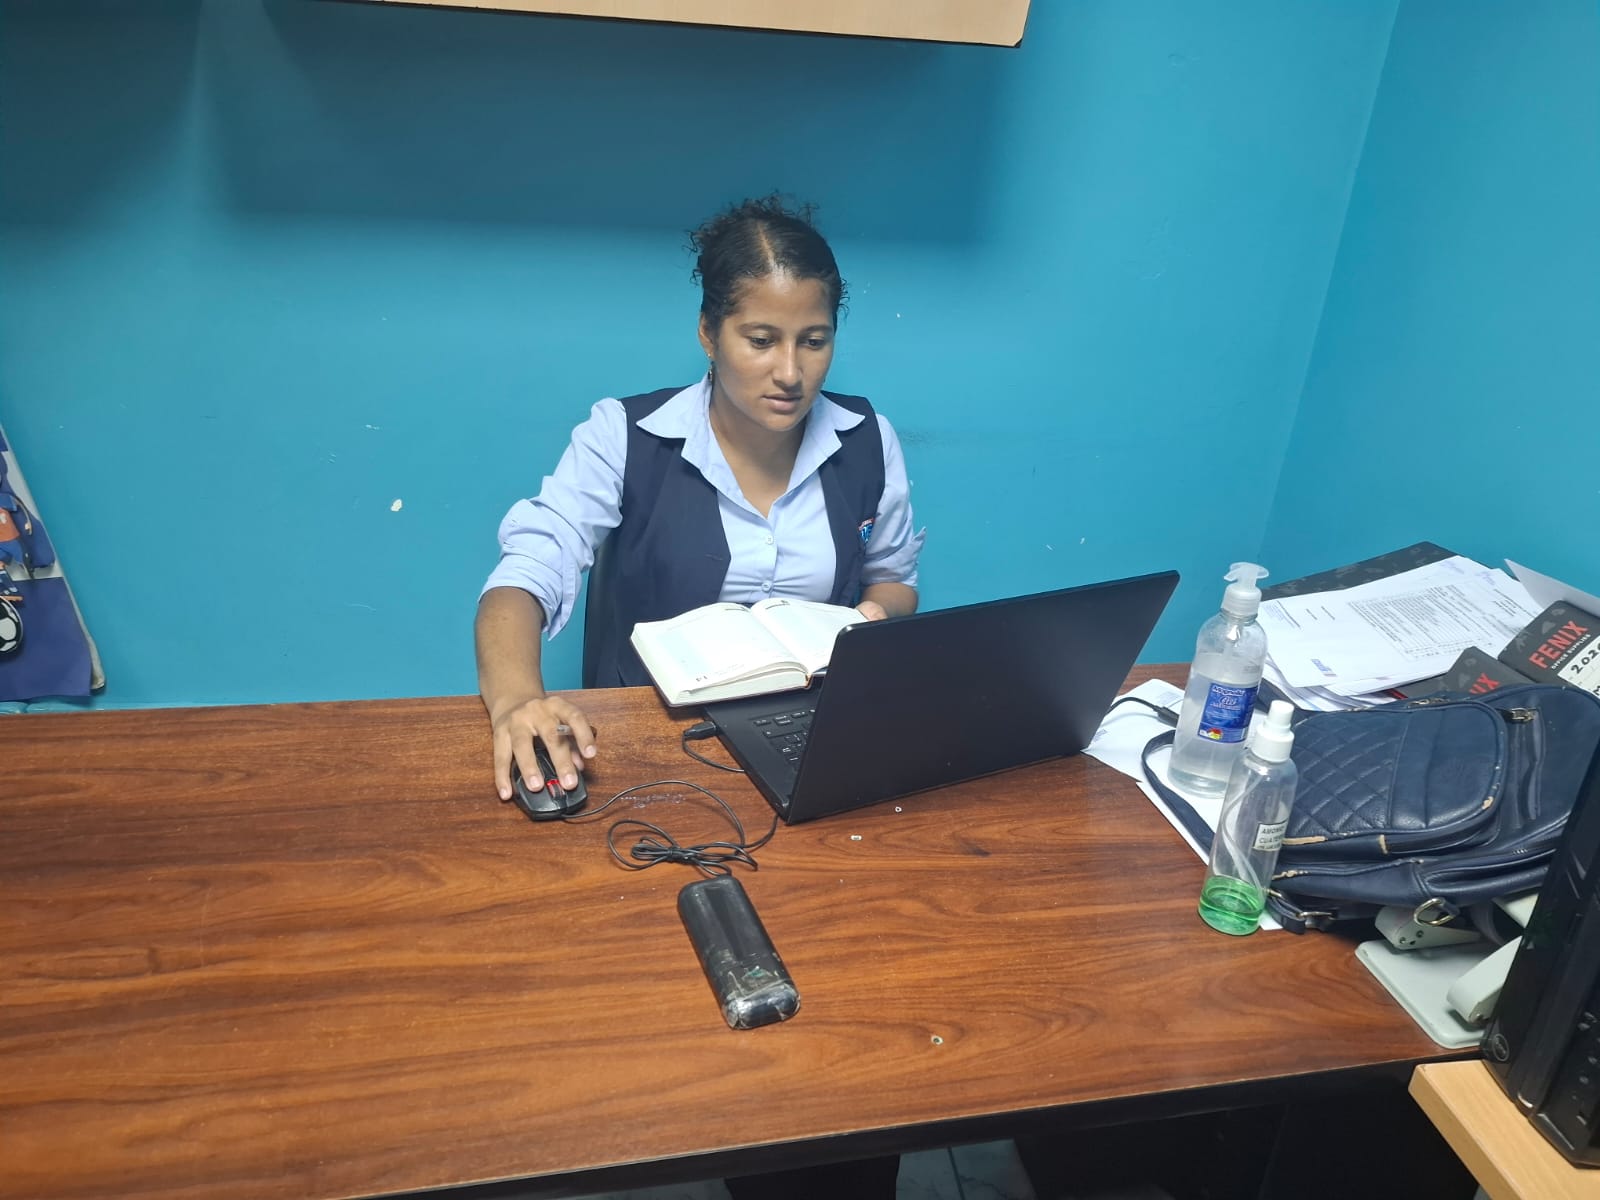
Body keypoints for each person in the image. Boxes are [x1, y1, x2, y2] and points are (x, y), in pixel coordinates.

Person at [475, 195, 924, 802]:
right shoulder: (623, 435)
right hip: (650, 744)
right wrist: (516, 701)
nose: (790, 373)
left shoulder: (868, 439)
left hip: (814, 735)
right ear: (708, 333)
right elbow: (528, 571)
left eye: (814, 341)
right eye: (761, 340)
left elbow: (893, 580)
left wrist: (868, 620)